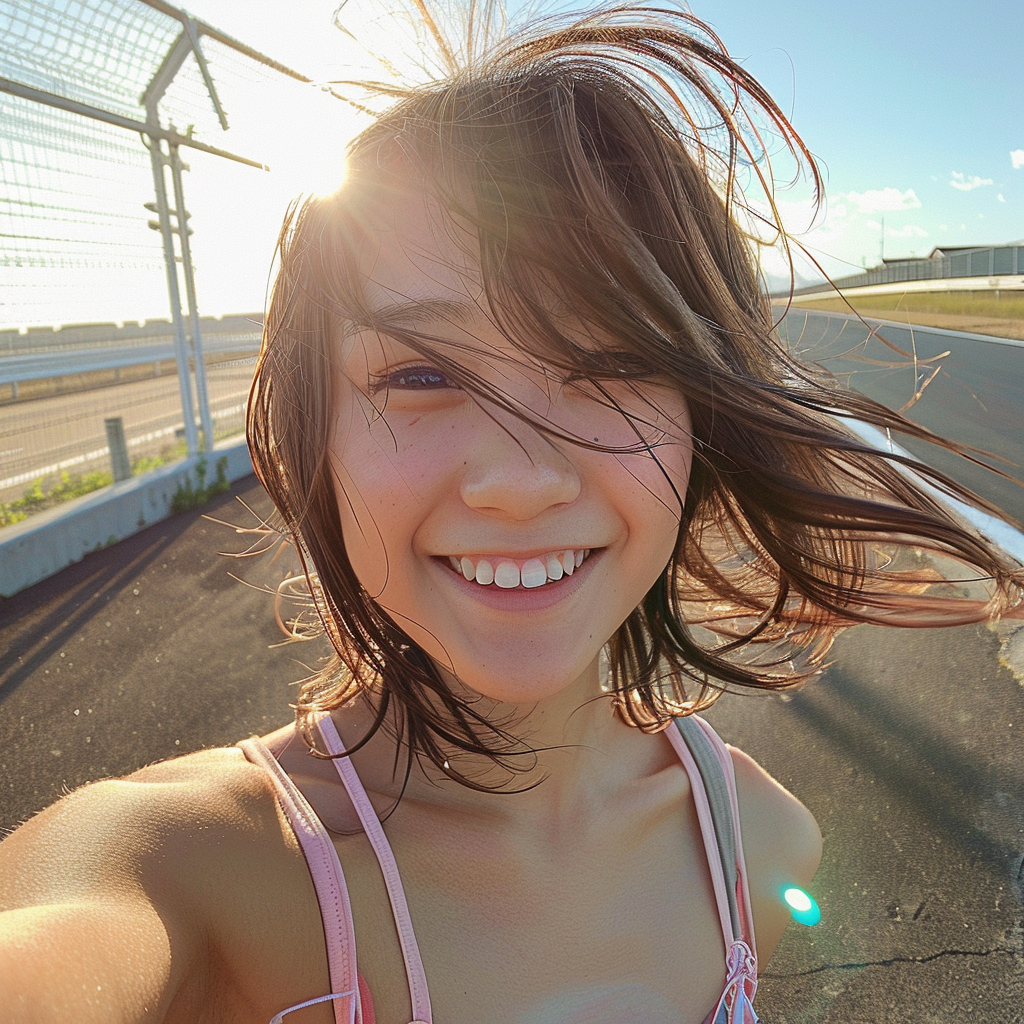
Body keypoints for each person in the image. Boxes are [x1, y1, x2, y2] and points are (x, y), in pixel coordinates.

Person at [1, 5, 1021, 1022]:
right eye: (420, 371)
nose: (522, 478)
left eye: (614, 362)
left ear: (699, 419)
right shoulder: (186, 878)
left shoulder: (757, 840)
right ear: (312, 431)